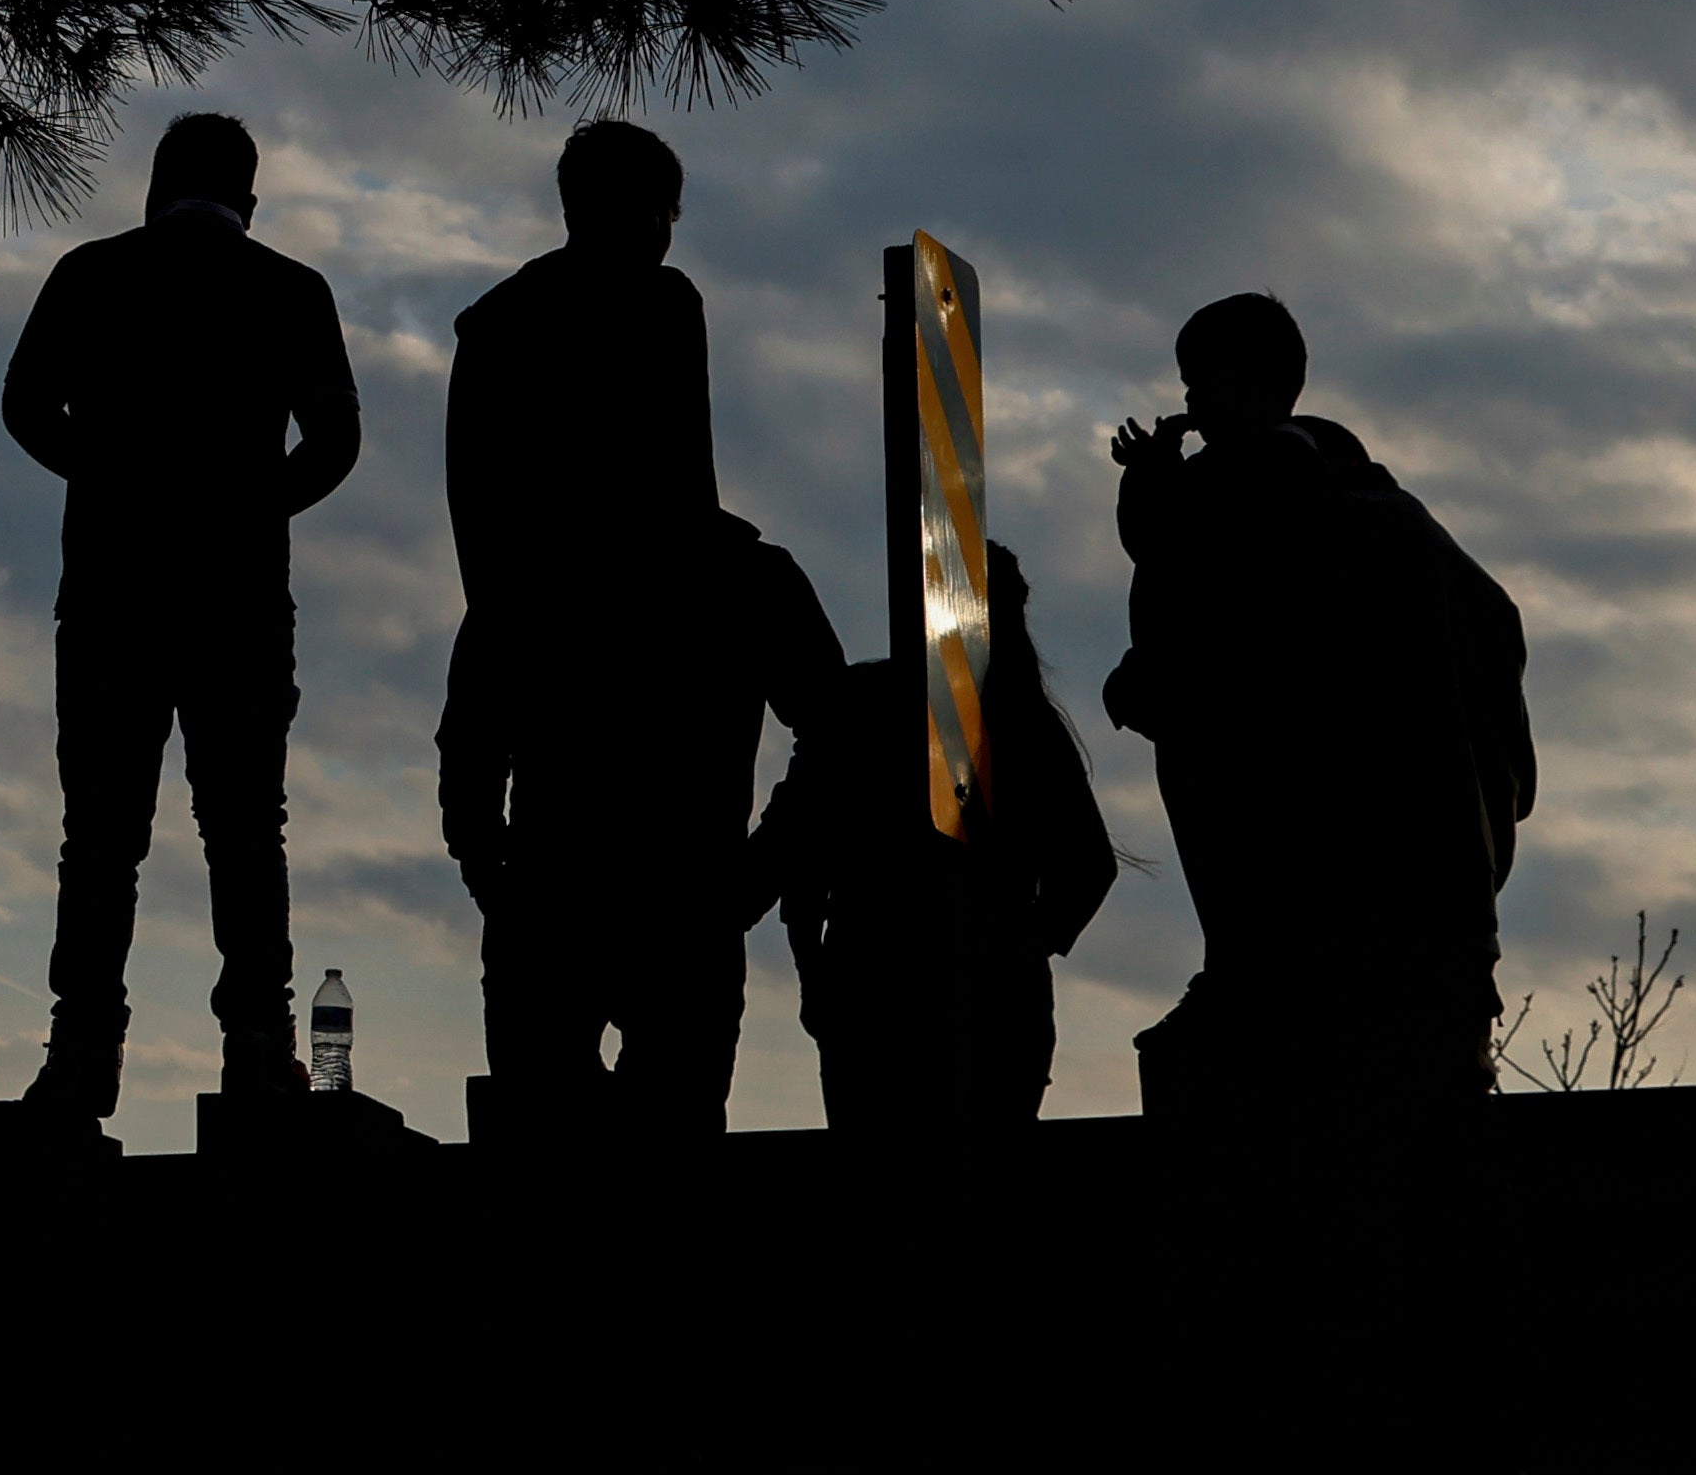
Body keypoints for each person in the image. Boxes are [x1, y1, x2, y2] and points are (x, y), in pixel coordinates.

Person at [436, 122, 846, 1138]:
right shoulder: (738, 577)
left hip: (570, 891)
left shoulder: (527, 576)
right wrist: (749, 877)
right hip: (667, 894)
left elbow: (471, 727)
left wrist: (496, 868)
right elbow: (838, 729)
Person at [0, 112, 360, 1122]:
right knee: (246, 831)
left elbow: (24, 403)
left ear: (154, 186)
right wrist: (253, 503)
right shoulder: (291, 289)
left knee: (100, 835)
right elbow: (335, 438)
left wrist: (104, 477)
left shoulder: (89, 274)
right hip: (239, 600)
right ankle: (256, 1045)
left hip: (112, 594)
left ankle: (80, 1055)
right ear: (249, 194)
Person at [1098, 292, 1531, 1116]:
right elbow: (1502, 685)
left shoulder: (1257, 516)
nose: (1187, 407)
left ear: (1248, 385)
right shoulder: (1408, 526)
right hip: (1447, 948)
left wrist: (1155, 509)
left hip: (1306, 955)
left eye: (1199, 384)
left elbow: (1191, 678)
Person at [746, 537, 1122, 1132]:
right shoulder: (1024, 724)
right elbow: (1090, 866)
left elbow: (798, 858)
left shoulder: (863, 706)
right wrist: (1019, 949)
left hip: (871, 991)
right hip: (971, 1000)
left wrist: (815, 973)